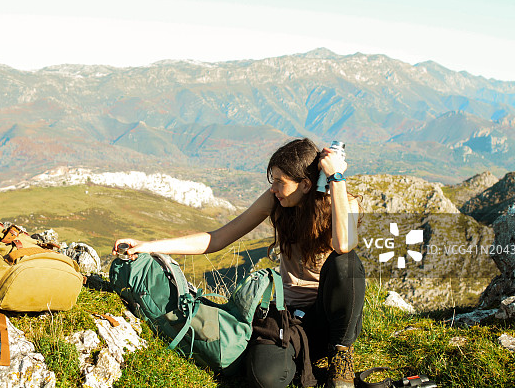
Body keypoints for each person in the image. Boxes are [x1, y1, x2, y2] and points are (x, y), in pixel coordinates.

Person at [113, 138, 365, 388]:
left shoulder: (343, 203)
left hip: (331, 320)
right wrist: (149, 246)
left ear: (306, 184)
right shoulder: (276, 201)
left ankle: (341, 356)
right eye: (273, 180)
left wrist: (336, 178)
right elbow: (217, 239)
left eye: (280, 181)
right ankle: (300, 360)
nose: (273, 188)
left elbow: (344, 245)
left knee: (346, 262)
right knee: (264, 378)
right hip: (289, 318)